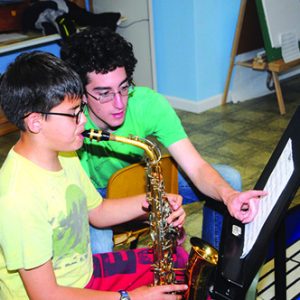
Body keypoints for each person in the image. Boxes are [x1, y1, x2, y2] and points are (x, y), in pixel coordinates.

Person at [60, 26, 267, 254]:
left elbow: (196, 167)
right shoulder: (67, 120)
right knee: (99, 245)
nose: (119, 103)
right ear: (81, 93)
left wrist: (230, 196)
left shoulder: (149, 103)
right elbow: (90, 210)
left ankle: (211, 274)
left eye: (124, 87)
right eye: (104, 93)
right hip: (93, 196)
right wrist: (154, 209)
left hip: (137, 181)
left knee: (229, 179)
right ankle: (111, 289)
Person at [0, 51, 188, 299]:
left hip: (84, 275)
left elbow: (98, 212)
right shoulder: (18, 197)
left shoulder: (63, 155)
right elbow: (45, 295)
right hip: (59, 293)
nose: (84, 120)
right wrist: (129, 297)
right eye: (74, 113)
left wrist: (155, 202)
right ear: (35, 122)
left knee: (178, 260)